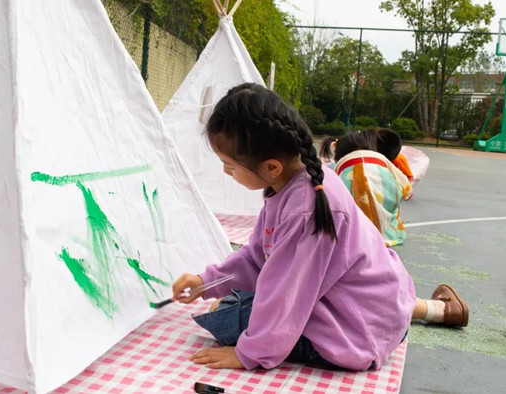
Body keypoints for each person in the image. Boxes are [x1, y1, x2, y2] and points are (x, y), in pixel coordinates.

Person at [171, 84, 467, 372]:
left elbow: (285, 293)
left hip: (358, 334)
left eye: (229, 165)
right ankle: (435, 310)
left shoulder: (305, 207)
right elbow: (256, 258)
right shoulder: (294, 182)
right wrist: (205, 282)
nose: (226, 171)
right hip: (375, 311)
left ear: (271, 167)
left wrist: (249, 353)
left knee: (225, 316)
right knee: (237, 304)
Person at [320, 130, 412, 246]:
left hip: (351, 227)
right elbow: (407, 190)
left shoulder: (338, 167)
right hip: (384, 223)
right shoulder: (382, 160)